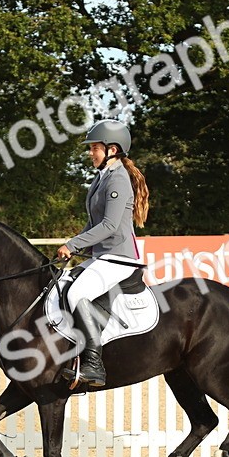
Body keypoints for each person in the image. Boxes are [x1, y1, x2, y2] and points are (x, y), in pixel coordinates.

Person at [55, 119, 149, 387]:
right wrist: (76, 245)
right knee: (62, 284)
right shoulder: (102, 177)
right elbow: (93, 224)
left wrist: (73, 244)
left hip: (118, 257)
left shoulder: (118, 178)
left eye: (94, 147)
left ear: (112, 149)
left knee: (76, 293)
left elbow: (108, 226)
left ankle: (94, 365)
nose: (90, 153)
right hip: (101, 256)